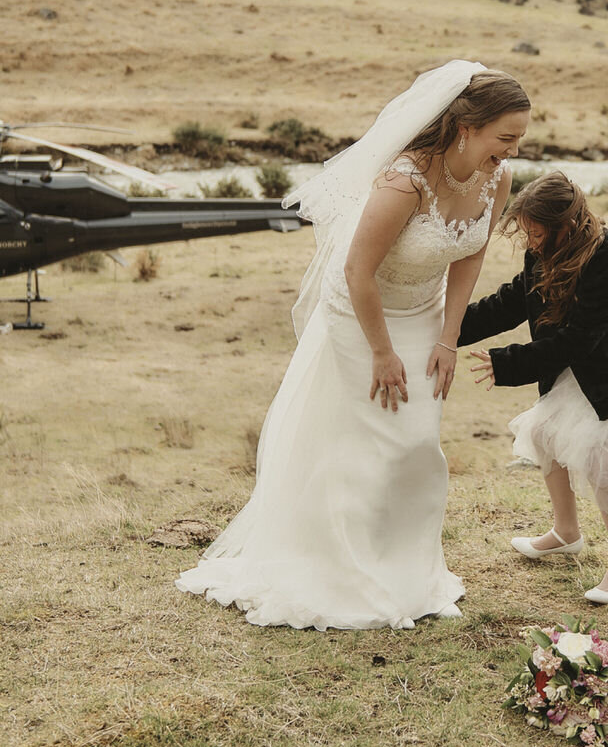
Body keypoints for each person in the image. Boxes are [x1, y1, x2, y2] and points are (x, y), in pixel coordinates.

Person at [176, 60, 530, 630]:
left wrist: (447, 338)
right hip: (361, 313)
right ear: (466, 127)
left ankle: (405, 571)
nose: (511, 152)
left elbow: (470, 256)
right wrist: (382, 352)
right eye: (505, 138)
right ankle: (340, 571)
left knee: (416, 443)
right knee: (371, 442)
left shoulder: (498, 179)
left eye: (518, 141)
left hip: (424, 313)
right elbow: (358, 271)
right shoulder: (404, 179)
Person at [459, 172, 608, 604]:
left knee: (600, 455)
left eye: (536, 232)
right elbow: (508, 303)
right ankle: (566, 532)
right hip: (588, 356)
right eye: (526, 232)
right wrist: (445, 327)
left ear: (567, 224)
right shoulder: (542, 252)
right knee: (542, 432)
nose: (530, 241)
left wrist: (506, 362)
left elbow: (578, 339)